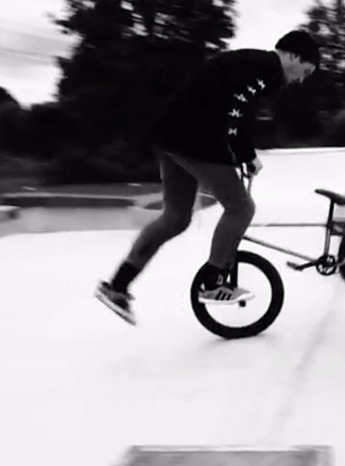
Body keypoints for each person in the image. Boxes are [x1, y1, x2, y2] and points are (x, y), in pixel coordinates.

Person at [95, 30, 320, 325]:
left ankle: (117, 286)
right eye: (304, 71)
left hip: (171, 136)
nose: (300, 79)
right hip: (193, 140)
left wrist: (238, 151)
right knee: (241, 207)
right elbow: (238, 112)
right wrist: (245, 154)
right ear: (292, 56)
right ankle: (213, 283)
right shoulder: (265, 70)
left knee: (176, 218)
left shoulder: (249, 64)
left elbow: (229, 109)